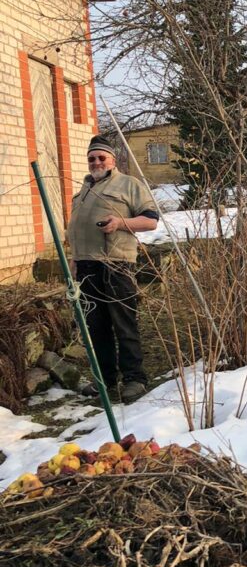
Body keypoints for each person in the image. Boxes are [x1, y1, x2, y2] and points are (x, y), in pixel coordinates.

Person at [67, 134, 159, 402]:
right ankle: (105, 380)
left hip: (116, 264)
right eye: (92, 158)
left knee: (123, 323)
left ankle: (135, 379)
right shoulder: (81, 192)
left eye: (101, 157)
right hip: (86, 267)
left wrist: (120, 223)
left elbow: (151, 221)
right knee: (96, 326)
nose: (96, 162)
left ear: (112, 159)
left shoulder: (128, 185)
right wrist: (74, 259)